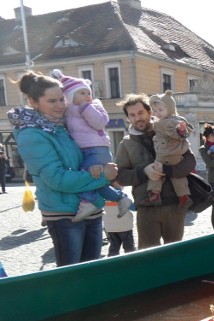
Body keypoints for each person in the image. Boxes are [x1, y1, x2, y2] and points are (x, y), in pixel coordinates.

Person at [7, 70, 117, 266]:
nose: (60, 105)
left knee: (91, 272)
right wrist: (103, 178)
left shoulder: (64, 125)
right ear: (34, 102)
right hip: (64, 214)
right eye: (52, 101)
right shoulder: (32, 134)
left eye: (61, 99)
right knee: (72, 276)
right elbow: (57, 179)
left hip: (90, 210)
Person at [115, 93, 196, 249]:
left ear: (149, 112)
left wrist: (168, 170)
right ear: (128, 118)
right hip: (146, 209)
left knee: (174, 255)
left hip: (174, 205)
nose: (137, 118)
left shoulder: (169, 131)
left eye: (140, 113)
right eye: (132, 115)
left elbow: (189, 162)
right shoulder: (126, 143)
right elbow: (121, 177)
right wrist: (144, 172)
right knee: (148, 257)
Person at [51, 69, 133, 222]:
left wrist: (86, 107)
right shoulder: (68, 110)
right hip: (84, 151)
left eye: (87, 92)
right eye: (81, 93)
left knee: (85, 178)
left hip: (96, 149)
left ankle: (91, 202)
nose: (87, 96)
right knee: (97, 182)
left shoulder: (94, 105)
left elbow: (100, 122)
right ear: (70, 96)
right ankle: (121, 198)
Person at [147, 90, 193, 208]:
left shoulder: (169, 122)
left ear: (170, 109)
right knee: (175, 177)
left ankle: (155, 193)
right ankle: (182, 196)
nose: (157, 113)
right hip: (169, 153)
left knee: (157, 173)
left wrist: (181, 129)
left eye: (161, 110)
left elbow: (177, 133)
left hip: (168, 154)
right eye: (155, 110)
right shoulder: (168, 120)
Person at [103, 183, 135, 257]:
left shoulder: (103, 196)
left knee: (113, 248)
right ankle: (131, 263)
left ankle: (112, 264)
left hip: (110, 228)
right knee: (129, 248)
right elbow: (133, 208)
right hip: (124, 227)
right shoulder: (123, 196)